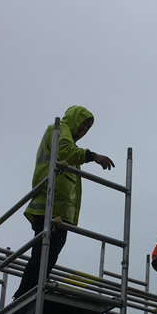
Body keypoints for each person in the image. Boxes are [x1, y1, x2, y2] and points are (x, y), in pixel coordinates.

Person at [13, 105, 114, 299]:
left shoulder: (70, 141)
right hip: (49, 205)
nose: (84, 129)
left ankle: (33, 289)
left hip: (59, 209)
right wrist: (92, 156)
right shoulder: (59, 129)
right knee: (43, 253)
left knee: (49, 253)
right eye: (83, 124)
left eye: (87, 127)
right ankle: (25, 293)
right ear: (75, 119)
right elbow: (65, 150)